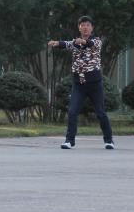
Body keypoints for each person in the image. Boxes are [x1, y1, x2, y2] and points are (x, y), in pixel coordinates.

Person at [48, 16, 115, 150]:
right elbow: (66, 44)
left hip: (95, 84)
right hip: (79, 84)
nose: (85, 27)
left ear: (92, 28)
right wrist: (56, 43)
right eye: (83, 25)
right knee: (72, 111)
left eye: (88, 25)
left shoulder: (97, 41)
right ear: (79, 28)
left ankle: (109, 140)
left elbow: (90, 44)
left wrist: (83, 41)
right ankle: (69, 141)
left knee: (100, 113)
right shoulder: (75, 42)